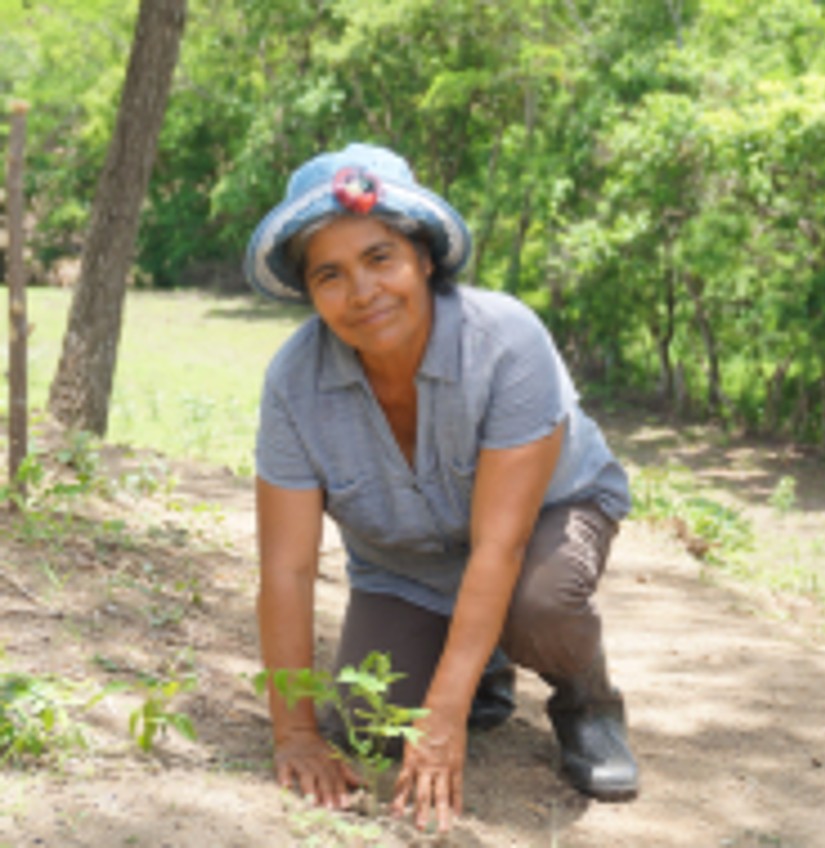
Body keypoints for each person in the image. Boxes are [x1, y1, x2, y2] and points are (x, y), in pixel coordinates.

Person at [245, 143, 639, 833]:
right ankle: (480, 667)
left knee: (538, 606)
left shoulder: (506, 340)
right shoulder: (293, 383)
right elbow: (287, 568)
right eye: (330, 275)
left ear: (424, 258)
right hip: (409, 565)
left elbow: (500, 544)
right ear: (309, 293)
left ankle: (588, 703)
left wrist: (445, 716)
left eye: (380, 259)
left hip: (543, 521)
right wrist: (295, 733)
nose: (363, 292)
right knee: (371, 718)